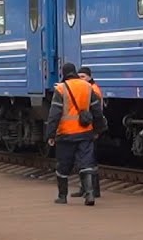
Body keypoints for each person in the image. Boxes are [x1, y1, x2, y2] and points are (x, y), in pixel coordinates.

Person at [44, 62, 106, 205]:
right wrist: (98, 129)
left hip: (66, 134)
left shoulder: (61, 89)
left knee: (63, 166)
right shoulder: (87, 87)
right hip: (85, 133)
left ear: (64, 73)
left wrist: (50, 135)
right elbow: (97, 111)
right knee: (86, 163)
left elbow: (54, 114)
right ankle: (89, 195)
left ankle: (62, 196)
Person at [71, 65, 104, 199]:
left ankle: (90, 189)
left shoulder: (92, 90)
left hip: (89, 129)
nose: (81, 79)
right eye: (79, 77)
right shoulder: (89, 88)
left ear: (89, 77)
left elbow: (96, 112)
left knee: (87, 161)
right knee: (88, 160)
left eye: (83, 77)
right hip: (87, 129)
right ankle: (88, 188)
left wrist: (96, 130)